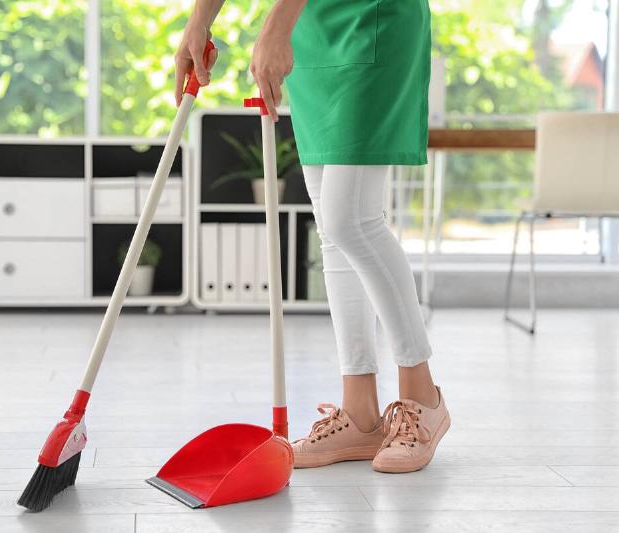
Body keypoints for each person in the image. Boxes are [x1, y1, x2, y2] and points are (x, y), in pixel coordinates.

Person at [175, 0, 449, 473]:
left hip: (372, 21)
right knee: (333, 230)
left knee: (351, 220)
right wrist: (199, 21)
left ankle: (422, 397)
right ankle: (360, 414)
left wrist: (277, 24)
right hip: (313, 28)